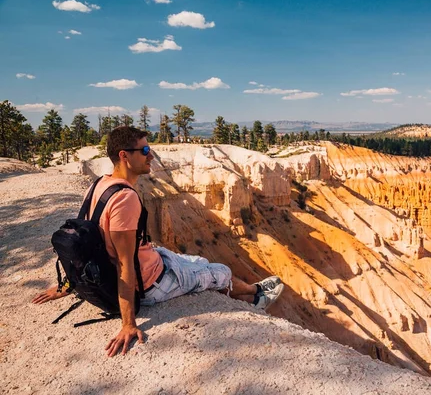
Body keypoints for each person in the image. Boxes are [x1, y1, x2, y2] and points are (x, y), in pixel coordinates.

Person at [32, 125, 284, 357]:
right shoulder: (125, 198)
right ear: (124, 156)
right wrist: (128, 324)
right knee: (220, 271)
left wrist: (67, 285)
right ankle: (256, 296)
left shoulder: (98, 184)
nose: (150, 155)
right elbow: (124, 264)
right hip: (152, 283)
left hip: (150, 261)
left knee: (198, 260)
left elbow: (81, 239)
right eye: (144, 150)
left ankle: (250, 292)